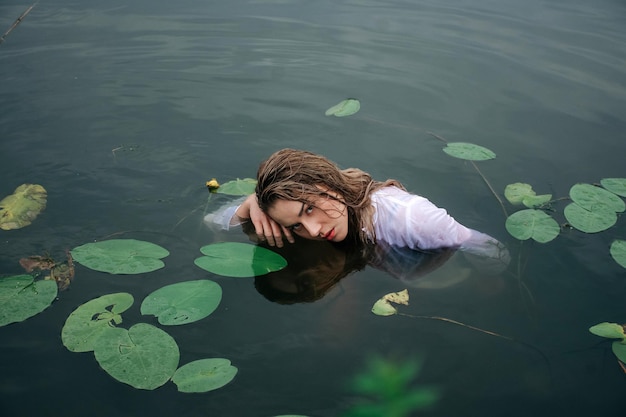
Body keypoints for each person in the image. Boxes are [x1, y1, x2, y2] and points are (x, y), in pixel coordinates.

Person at [206, 149, 509, 271]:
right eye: (297, 225)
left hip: (444, 281)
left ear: (328, 185)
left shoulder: (413, 218)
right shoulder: (298, 209)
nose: (312, 231)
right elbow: (211, 221)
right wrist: (249, 206)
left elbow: (491, 251)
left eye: (309, 209)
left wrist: (491, 285)